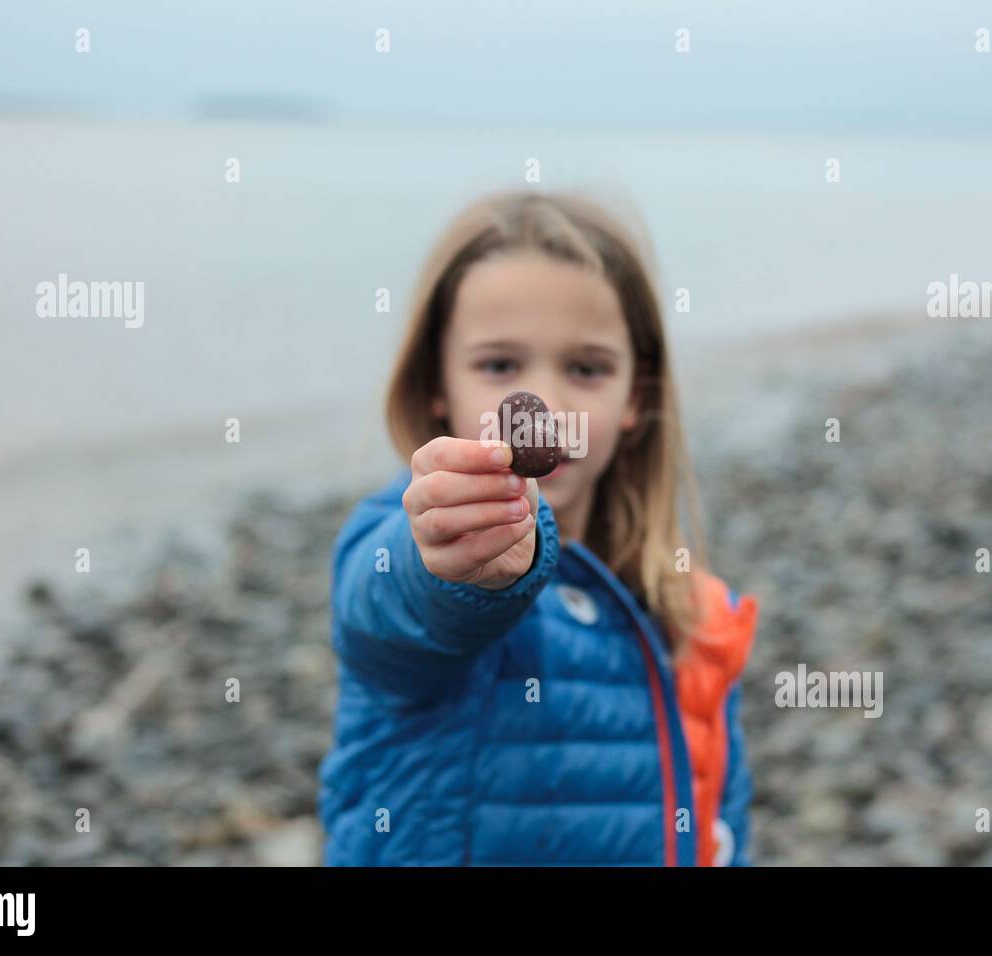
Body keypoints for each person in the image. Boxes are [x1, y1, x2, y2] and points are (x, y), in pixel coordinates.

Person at [319, 190, 759, 865]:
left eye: (587, 368)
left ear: (635, 398)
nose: (546, 408)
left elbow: (717, 824)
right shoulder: (406, 542)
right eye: (499, 365)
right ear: (437, 383)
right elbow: (390, 614)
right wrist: (456, 564)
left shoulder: (693, 618)